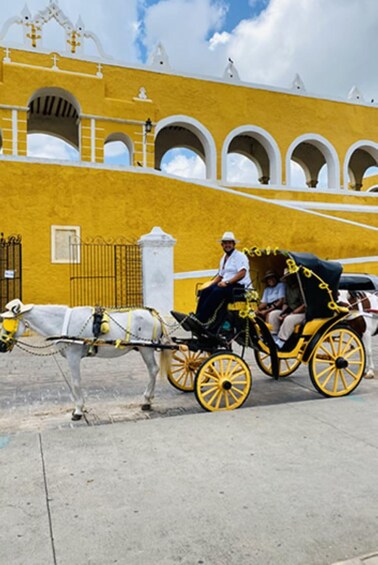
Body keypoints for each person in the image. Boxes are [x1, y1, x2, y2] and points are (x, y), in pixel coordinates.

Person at [194, 231, 251, 325]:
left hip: (238, 286)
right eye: (225, 243)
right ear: (222, 245)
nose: (227, 245)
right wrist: (209, 285)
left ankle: (203, 319)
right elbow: (220, 276)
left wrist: (227, 282)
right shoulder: (224, 258)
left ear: (233, 244)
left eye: (229, 243)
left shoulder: (240, 256)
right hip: (225, 285)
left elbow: (242, 273)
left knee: (217, 291)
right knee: (205, 291)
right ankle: (197, 316)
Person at [268, 268, 306, 349]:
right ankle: (274, 337)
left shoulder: (301, 288)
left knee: (289, 319)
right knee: (273, 314)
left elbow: (304, 305)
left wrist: (290, 313)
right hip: (291, 310)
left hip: (302, 313)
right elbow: (285, 303)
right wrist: (282, 313)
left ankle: (281, 341)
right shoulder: (287, 288)